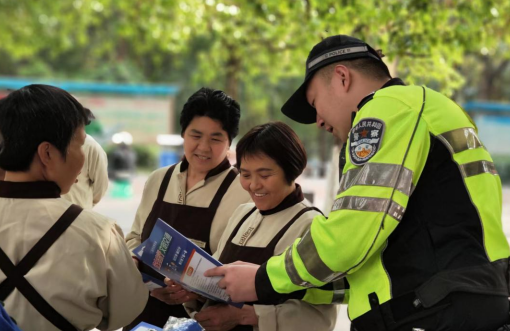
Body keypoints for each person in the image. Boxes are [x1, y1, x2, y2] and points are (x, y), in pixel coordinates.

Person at [206, 35, 510, 331]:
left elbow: (350, 235)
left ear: (342, 77)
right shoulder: (437, 109)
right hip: (461, 303)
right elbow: (369, 263)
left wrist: (262, 280)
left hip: (429, 310)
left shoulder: (386, 109)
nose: (319, 121)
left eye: (315, 103)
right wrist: (294, 287)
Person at [0, 84, 148, 331]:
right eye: (80, 145)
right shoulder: (97, 233)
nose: (83, 159)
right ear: (47, 153)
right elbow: (125, 312)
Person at [177, 122, 337, 331]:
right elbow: (218, 278)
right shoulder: (243, 213)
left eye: (265, 175)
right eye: (245, 175)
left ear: (292, 170)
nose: (253, 185)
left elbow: (321, 317)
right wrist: (195, 291)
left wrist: (249, 316)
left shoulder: (310, 225)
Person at [124, 87, 251, 329]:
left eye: (215, 138)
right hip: (144, 310)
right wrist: (135, 265)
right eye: (195, 135)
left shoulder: (242, 189)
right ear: (183, 134)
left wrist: (193, 292)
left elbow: (238, 264)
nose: (203, 147)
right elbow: (134, 237)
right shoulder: (158, 179)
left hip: (200, 320)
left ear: (229, 142)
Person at [61, 134, 109, 209]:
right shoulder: (91, 145)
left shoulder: (91, 146)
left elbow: (100, 186)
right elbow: (100, 187)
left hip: (79, 213)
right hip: (79, 211)